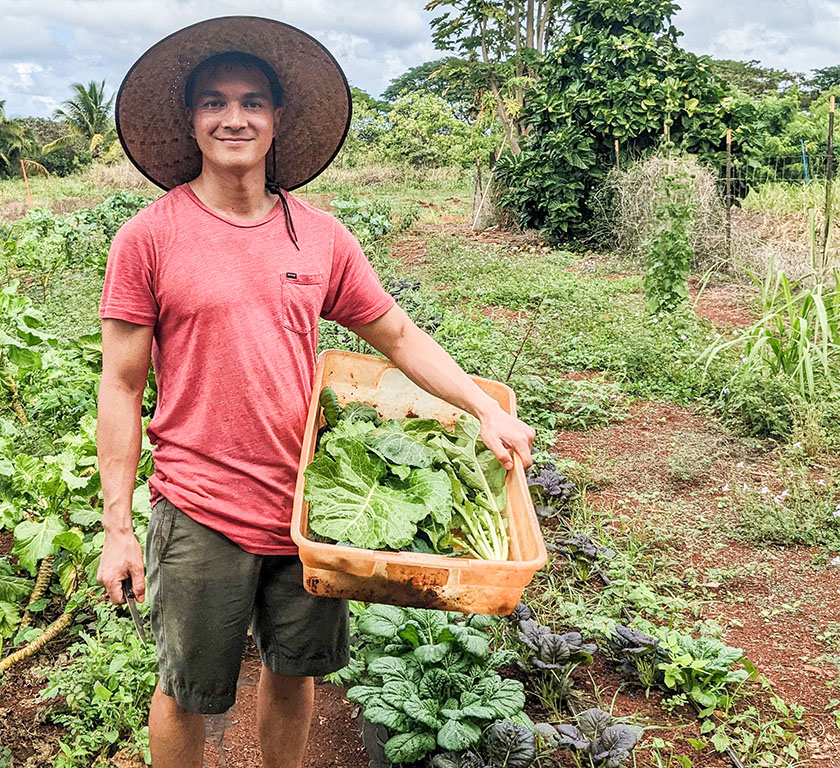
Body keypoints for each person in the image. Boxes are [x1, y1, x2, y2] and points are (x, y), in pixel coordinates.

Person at [95, 16, 535, 768]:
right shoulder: (150, 236)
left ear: (277, 120)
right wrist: (117, 528)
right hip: (200, 505)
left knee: (293, 673)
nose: (234, 117)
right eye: (214, 101)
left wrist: (486, 406)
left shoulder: (321, 237)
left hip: (308, 509)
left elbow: (397, 335)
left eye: (252, 101)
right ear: (192, 120)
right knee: (185, 689)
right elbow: (121, 384)